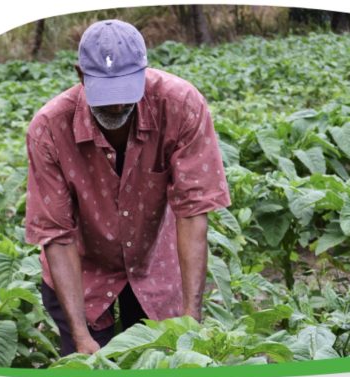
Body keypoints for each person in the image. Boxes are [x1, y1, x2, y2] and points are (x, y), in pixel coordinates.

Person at [23, 19, 231, 357]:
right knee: (86, 367)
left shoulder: (180, 106)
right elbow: (58, 236)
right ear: (80, 75)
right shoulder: (49, 128)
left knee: (159, 362)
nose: (117, 108)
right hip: (82, 272)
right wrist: (80, 337)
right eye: (106, 97)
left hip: (153, 263)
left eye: (125, 94)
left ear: (143, 73)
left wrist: (191, 318)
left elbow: (193, 212)